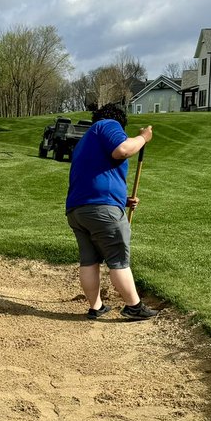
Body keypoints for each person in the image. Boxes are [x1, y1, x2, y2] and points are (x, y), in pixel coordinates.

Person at [65, 103, 158, 321]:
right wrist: (143, 137)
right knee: (118, 259)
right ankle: (134, 306)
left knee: (89, 260)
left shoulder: (85, 142)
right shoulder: (107, 125)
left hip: (78, 210)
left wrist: (121, 201)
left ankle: (96, 307)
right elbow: (122, 150)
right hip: (102, 209)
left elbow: (96, 176)